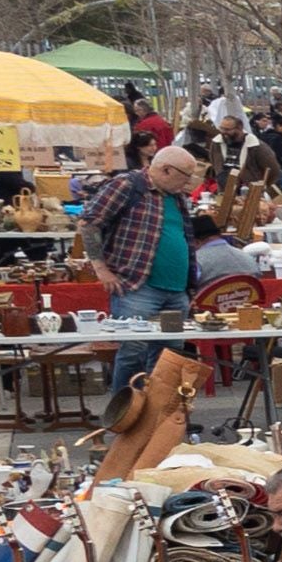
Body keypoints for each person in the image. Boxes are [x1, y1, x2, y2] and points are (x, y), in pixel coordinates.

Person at [76, 146, 208, 391]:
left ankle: (157, 417)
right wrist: (101, 269)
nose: (189, 182)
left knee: (169, 357)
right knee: (133, 352)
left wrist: (189, 286)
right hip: (137, 285)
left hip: (176, 289)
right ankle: (125, 416)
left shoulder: (175, 196)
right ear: (166, 170)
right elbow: (89, 223)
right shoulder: (127, 185)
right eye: (186, 175)